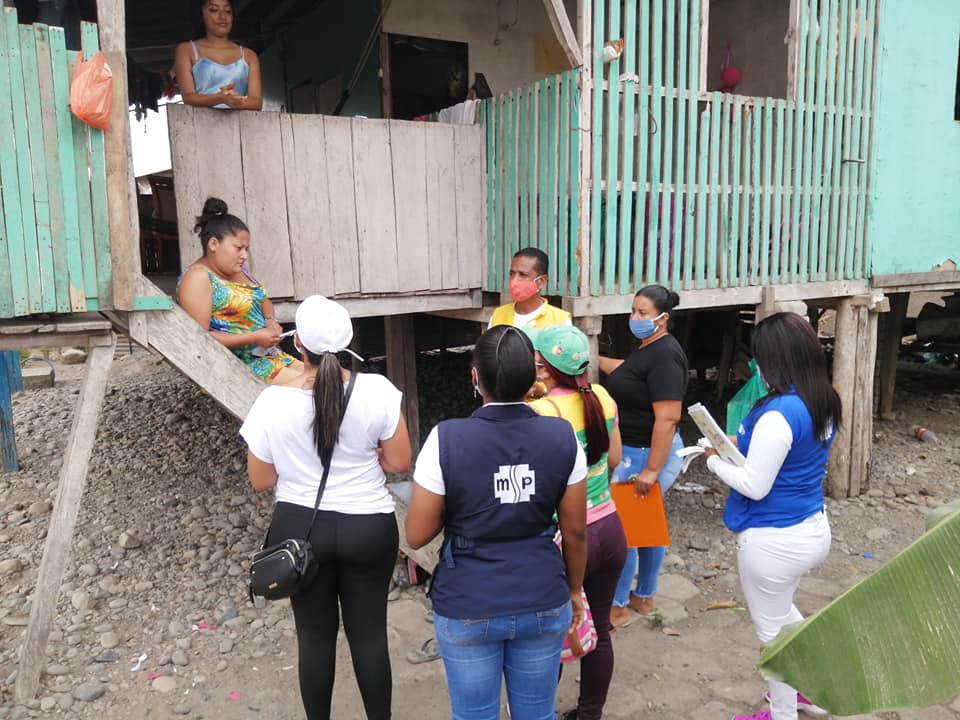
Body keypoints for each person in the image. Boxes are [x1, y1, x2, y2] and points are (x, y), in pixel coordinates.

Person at [239, 295, 412, 720]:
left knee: (314, 639)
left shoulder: (272, 402)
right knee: (369, 636)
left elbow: (261, 479)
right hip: (368, 525)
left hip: (300, 528)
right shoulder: (378, 391)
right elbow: (399, 462)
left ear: (298, 343)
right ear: (349, 342)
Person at [406, 325, 587, 720]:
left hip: (468, 599)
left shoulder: (445, 439)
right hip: (543, 593)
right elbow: (575, 532)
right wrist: (574, 590)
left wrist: (462, 506)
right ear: (534, 377)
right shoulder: (563, 437)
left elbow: (416, 534)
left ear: (475, 376)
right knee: (537, 714)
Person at [703, 312, 837, 720]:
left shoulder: (778, 414)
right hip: (812, 528)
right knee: (782, 615)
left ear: (775, 360)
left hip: (772, 541)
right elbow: (789, 457)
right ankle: (810, 687)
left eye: (759, 358)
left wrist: (711, 460)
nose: (755, 366)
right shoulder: (823, 399)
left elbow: (755, 485)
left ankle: (784, 712)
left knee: (773, 636)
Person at [526, 325, 626, 720]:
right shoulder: (602, 396)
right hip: (610, 528)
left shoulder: (541, 412)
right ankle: (589, 714)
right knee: (598, 627)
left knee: (548, 635)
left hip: (565, 538)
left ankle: (539, 711)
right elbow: (613, 459)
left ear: (544, 369)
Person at [599, 285, 687, 628]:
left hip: (645, 453)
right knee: (646, 524)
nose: (634, 318)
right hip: (640, 450)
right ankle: (644, 597)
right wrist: (593, 359)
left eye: (643, 313)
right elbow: (631, 372)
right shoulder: (650, 348)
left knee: (625, 531)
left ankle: (617, 607)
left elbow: (668, 418)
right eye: (633, 310)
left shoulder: (666, 355)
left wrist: (651, 470)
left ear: (662, 318)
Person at [177, 197, 303, 384]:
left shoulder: (238, 270)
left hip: (270, 357)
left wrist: (270, 321)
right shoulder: (197, 278)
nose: (244, 256)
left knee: (336, 378)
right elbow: (199, 338)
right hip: (241, 367)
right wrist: (254, 337)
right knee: (319, 388)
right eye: (238, 248)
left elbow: (263, 300)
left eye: (246, 249)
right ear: (213, 244)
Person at [173, 0, 262, 110]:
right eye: (214, 10)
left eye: (227, 11)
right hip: (200, 120)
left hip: (242, 121)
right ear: (201, 15)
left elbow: (256, 102)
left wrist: (231, 101)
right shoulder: (186, 50)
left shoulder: (249, 55)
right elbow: (188, 97)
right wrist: (220, 98)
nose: (222, 16)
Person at [489, 248, 572, 330]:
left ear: (541, 281)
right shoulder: (498, 315)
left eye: (523, 274)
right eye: (512, 273)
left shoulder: (561, 321)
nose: (514, 280)